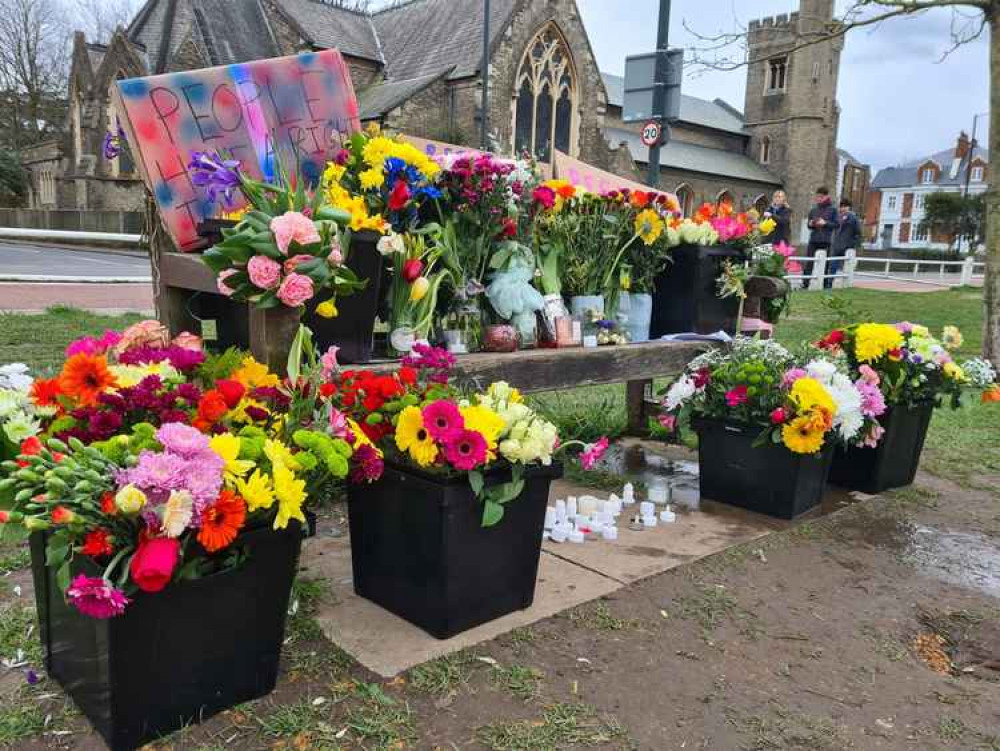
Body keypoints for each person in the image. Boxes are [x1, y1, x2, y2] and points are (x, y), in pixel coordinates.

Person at [803, 187, 837, 289]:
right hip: (813, 239)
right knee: (809, 262)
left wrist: (825, 223)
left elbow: (836, 224)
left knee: (826, 263)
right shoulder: (813, 210)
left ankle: (825, 285)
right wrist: (810, 224)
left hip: (826, 240)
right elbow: (809, 225)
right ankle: (805, 284)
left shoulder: (833, 210)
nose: (818, 199)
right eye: (817, 197)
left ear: (827, 197)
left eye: (821, 197)